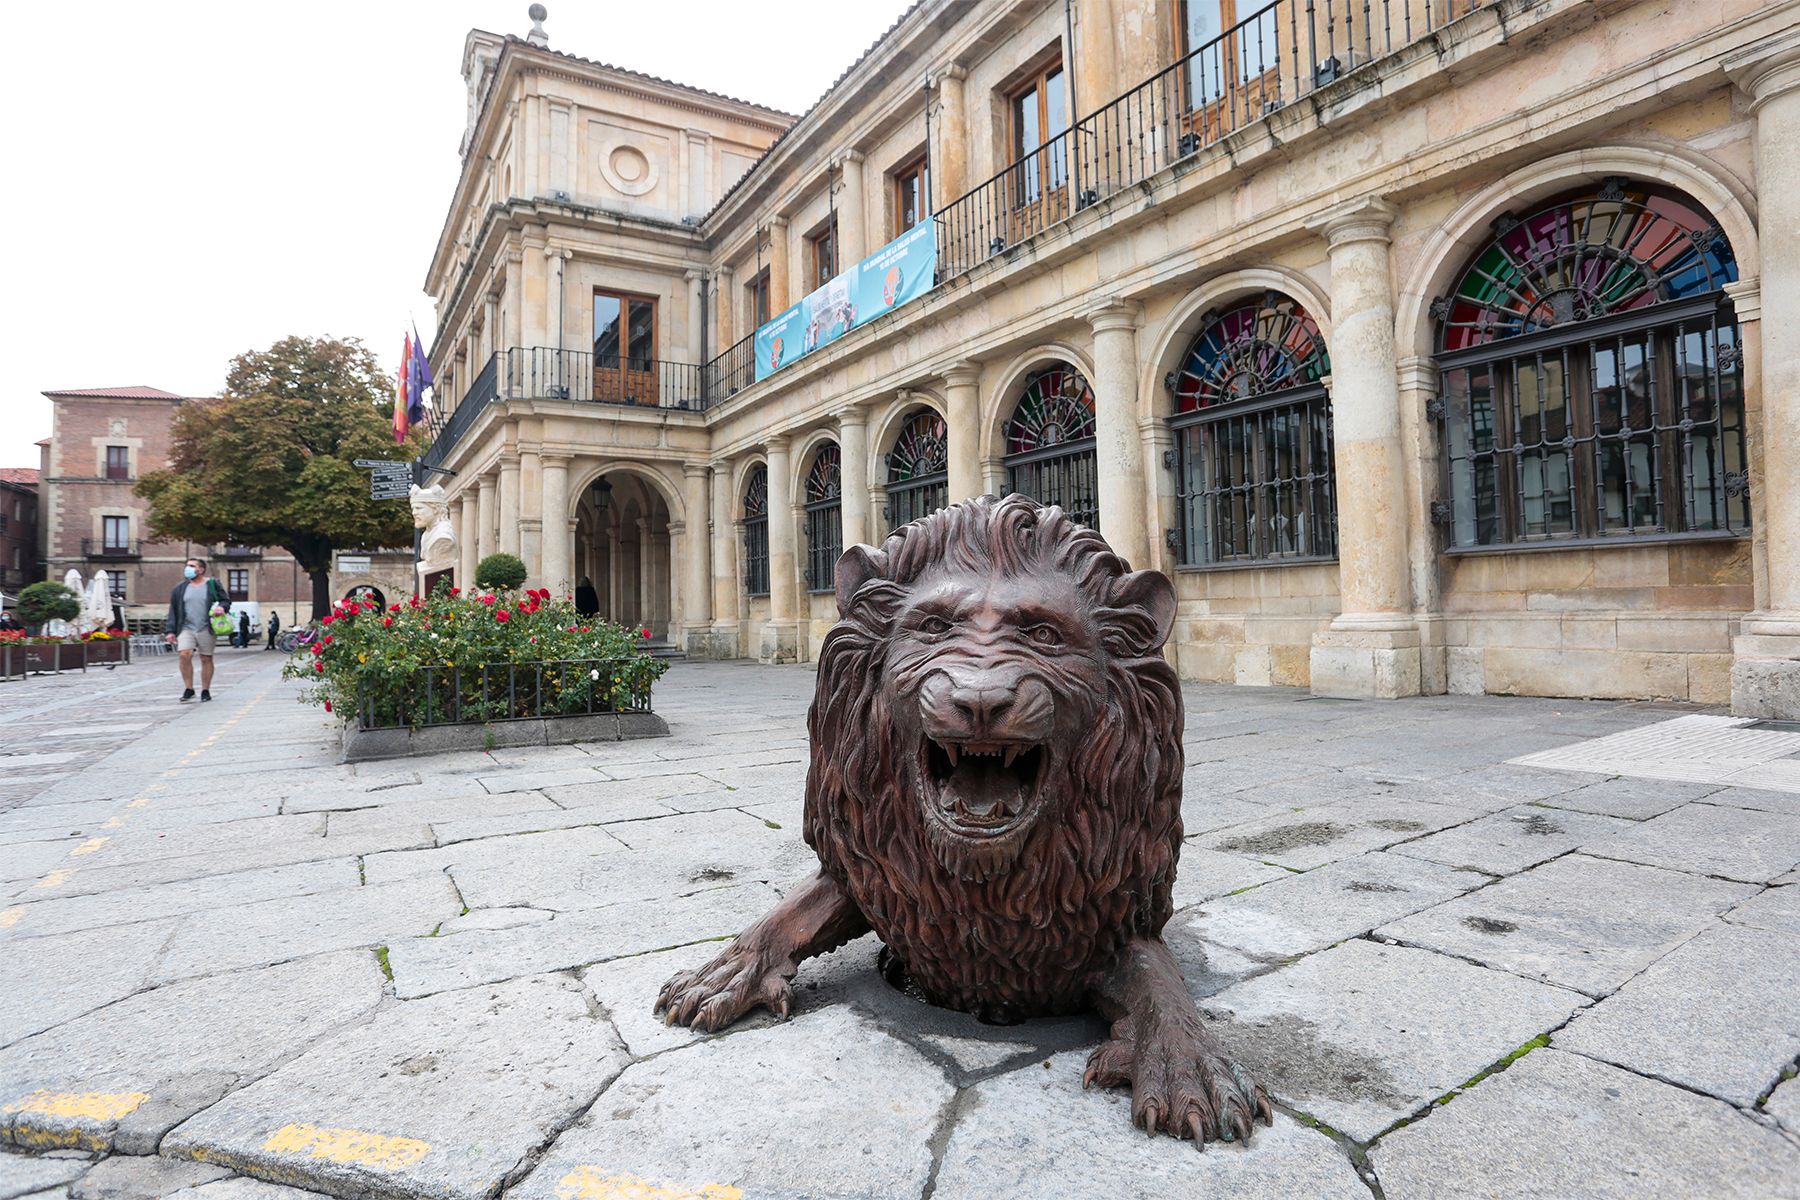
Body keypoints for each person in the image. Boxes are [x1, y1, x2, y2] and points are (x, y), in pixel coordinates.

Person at [164, 556, 229, 702]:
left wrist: (221, 607)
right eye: (187, 565)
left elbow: (226, 600)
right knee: (184, 654)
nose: (188, 568)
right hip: (185, 627)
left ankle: (205, 690)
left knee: (206, 658)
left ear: (201, 569)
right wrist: (170, 631)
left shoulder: (212, 584)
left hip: (206, 627)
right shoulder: (179, 588)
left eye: (192, 566)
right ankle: (189, 688)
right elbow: (173, 610)